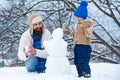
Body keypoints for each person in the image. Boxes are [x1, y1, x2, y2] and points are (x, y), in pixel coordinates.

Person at [63, 0, 93, 78]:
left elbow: (88, 33)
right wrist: (68, 31)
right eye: (76, 16)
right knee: (77, 61)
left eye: (78, 16)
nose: (77, 18)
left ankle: (86, 73)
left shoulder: (87, 24)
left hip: (85, 46)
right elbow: (75, 34)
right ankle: (80, 74)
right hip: (77, 45)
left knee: (83, 61)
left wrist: (88, 29)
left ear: (83, 16)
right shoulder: (78, 25)